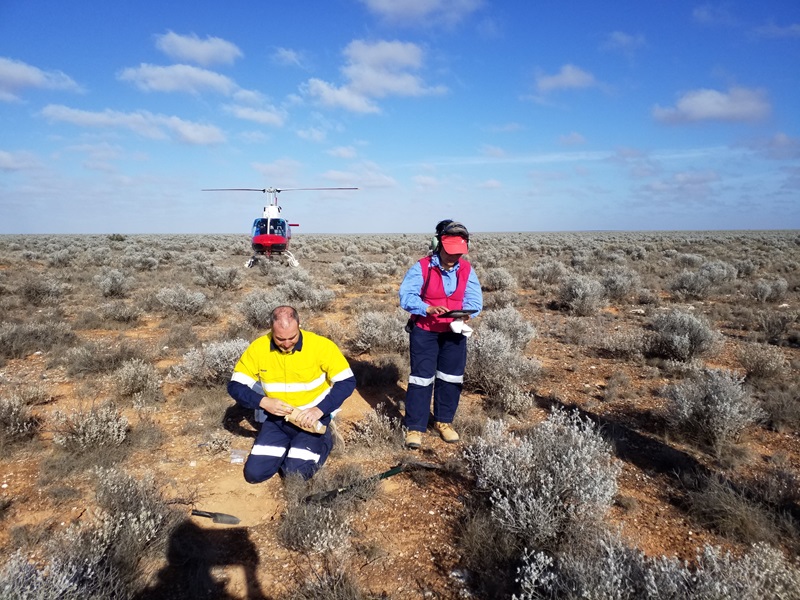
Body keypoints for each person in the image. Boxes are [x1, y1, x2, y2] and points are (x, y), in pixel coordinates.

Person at [227, 306, 356, 482]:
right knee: (254, 475)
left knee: (294, 475)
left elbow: (347, 381)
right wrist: (263, 402)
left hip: (312, 418)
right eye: (280, 339)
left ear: (299, 326)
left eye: (292, 337)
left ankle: (325, 439)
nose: (287, 344)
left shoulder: (321, 346)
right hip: (277, 419)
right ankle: (291, 446)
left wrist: (319, 410)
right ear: (271, 329)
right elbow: (235, 386)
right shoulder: (258, 348)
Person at [399, 220, 483, 449]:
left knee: (451, 377)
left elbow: (475, 300)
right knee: (421, 379)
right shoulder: (423, 267)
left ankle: (444, 422)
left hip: (454, 332)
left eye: (458, 252)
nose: (453, 256)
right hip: (425, 331)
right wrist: (427, 308)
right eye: (449, 251)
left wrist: (467, 313)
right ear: (438, 244)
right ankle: (415, 427)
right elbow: (406, 296)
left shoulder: (466, 269)